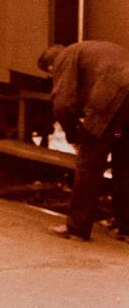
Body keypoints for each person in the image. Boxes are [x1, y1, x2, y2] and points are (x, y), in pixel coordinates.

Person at [37, 41, 129, 242]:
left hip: (111, 98)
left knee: (89, 164)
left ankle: (77, 228)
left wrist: (74, 136)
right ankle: (126, 228)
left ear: (51, 67)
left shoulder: (64, 58)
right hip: (125, 113)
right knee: (123, 160)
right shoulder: (89, 50)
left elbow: (62, 104)